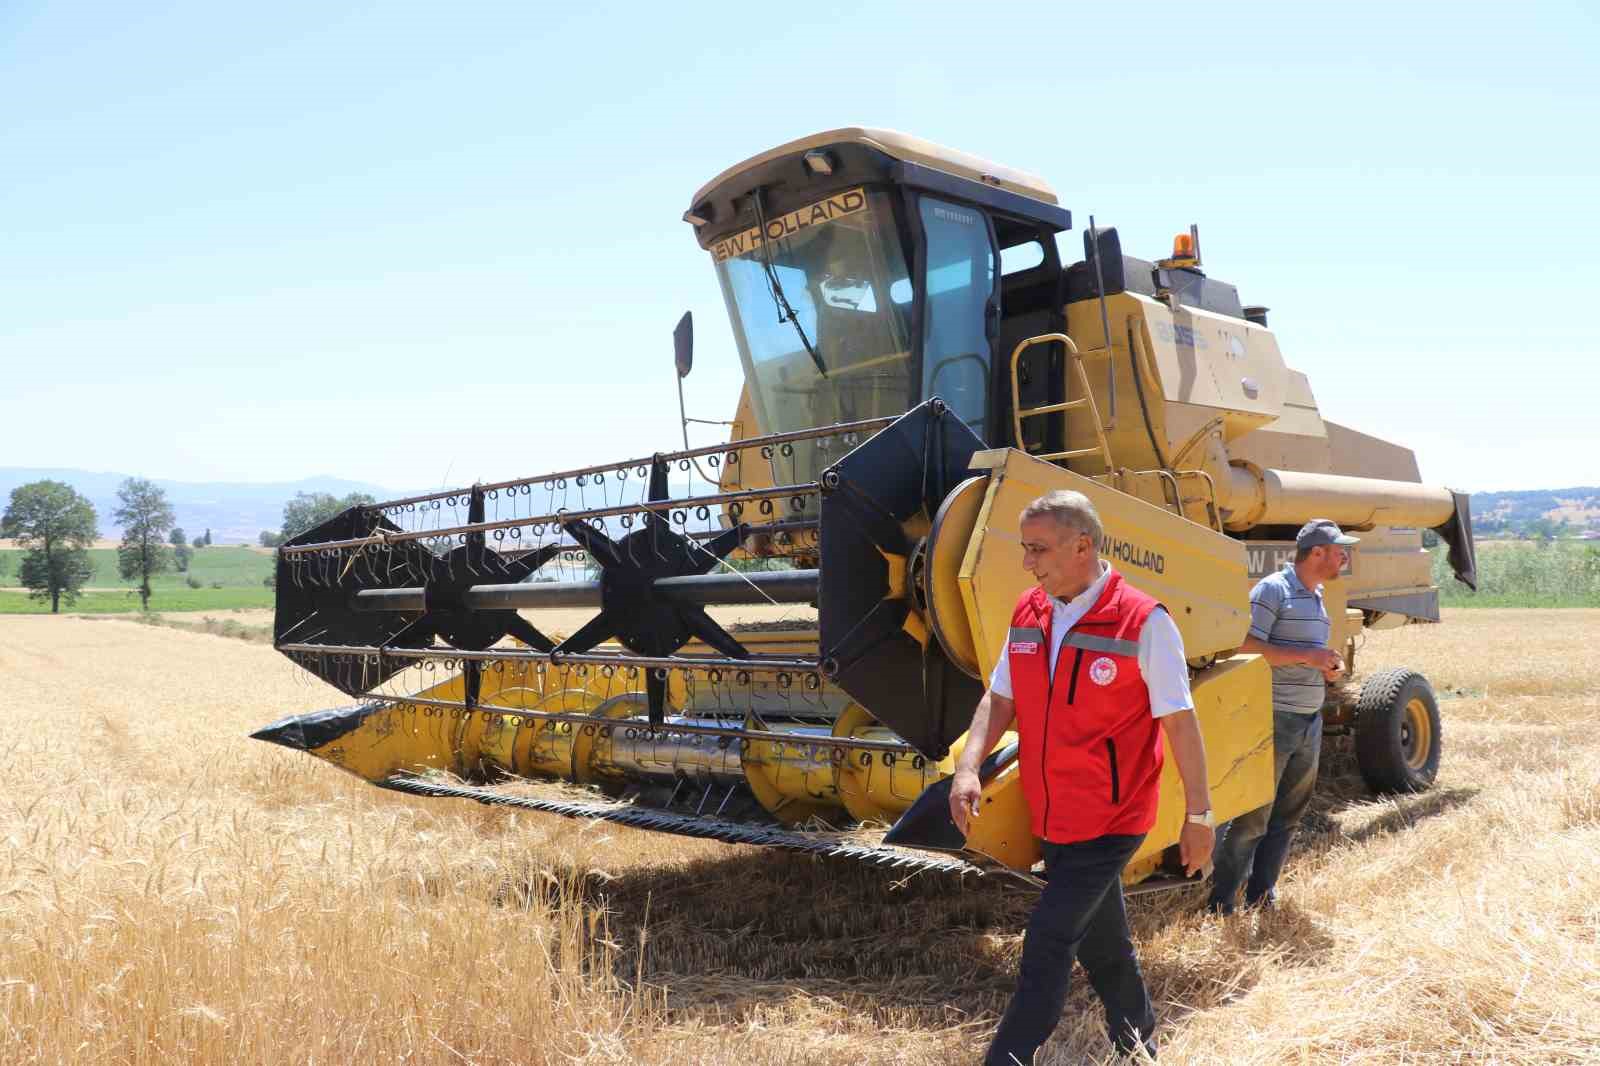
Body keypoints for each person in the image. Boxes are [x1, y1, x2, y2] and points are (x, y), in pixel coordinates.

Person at [949, 489, 1216, 1064]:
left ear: (1082, 546)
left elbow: (1181, 724)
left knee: (1047, 941)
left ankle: (1008, 1057)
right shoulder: (1029, 611)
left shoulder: (1144, 621)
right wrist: (968, 766)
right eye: (1025, 549)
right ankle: (1139, 1043)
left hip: (1111, 820)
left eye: (1038, 550)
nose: (1028, 563)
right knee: (1104, 946)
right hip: (1052, 814)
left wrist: (1199, 817)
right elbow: (1000, 697)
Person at [1206, 518, 1357, 915]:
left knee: (1288, 816)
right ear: (1318, 553)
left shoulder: (1317, 594)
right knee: (1253, 818)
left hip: (1309, 718)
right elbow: (1245, 644)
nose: (1346, 556)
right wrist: (1308, 656)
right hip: (1272, 717)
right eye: (1340, 549)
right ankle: (1221, 903)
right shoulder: (1274, 589)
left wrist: (1327, 667)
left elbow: (1302, 652)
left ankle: (1261, 895)